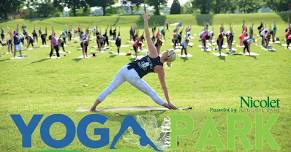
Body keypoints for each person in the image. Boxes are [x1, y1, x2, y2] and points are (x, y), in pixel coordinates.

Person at [90, 10, 177, 112]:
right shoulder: (160, 68)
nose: (166, 50)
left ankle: (93, 107)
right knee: (151, 92)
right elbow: (164, 87)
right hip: (133, 75)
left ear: (167, 57)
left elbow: (148, 36)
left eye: (168, 51)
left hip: (125, 69)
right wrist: (168, 100)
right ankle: (168, 105)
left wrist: (145, 21)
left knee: (110, 88)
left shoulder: (154, 54)